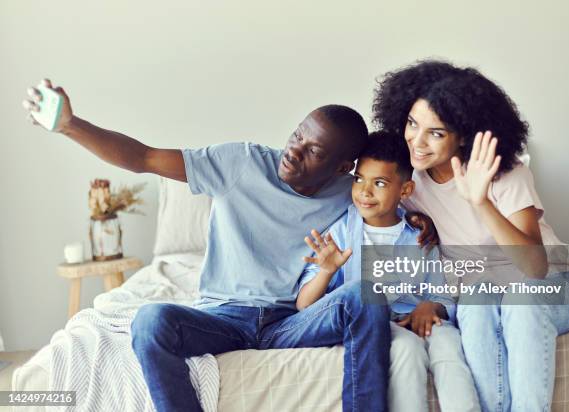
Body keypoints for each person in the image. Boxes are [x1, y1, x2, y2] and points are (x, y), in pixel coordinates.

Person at [22, 79, 442, 412]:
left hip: (288, 323)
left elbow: (397, 191)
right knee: (150, 322)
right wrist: (71, 126)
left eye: (313, 150)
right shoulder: (240, 163)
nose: (294, 152)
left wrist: (422, 220)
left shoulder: (349, 191)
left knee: (363, 295)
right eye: (297, 135)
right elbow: (145, 157)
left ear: (340, 168)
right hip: (222, 317)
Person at [372, 60, 569, 411]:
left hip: (555, 284)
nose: (416, 141)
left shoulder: (506, 174)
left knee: (520, 301)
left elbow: (535, 267)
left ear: (463, 134)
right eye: (412, 124)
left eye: (436, 132)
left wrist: (479, 202)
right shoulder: (411, 183)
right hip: (484, 291)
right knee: (475, 304)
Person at [296, 131, 480, 412]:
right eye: (359, 180)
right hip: (375, 324)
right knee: (407, 348)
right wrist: (326, 271)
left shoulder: (419, 235)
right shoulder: (342, 233)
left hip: (418, 317)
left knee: (449, 342)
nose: (365, 192)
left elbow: (442, 294)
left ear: (405, 191)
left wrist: (431, 307)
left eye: (379, 183)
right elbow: (304, 306)